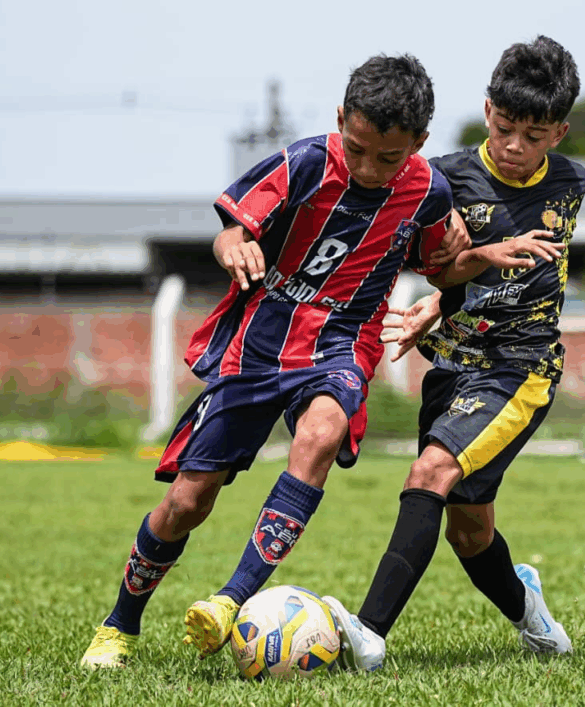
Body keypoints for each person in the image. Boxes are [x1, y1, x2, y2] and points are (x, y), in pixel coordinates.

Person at [80, 53, 469, 669]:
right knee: (188, 501)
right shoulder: (304, 163)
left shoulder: (428, 190)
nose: (369, 168)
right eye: (358, 147)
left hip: (343, 343)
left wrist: (455, 255)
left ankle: (232, 601)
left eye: (388, 158)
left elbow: (439, 260)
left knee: (321, 432)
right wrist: (235, 247)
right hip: (258, 348)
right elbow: (230, 232)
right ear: (341, 118)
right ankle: (118, 625)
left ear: (419, 144)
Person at [322, 36, 585, 671]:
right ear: (487, 108)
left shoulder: (573, 184)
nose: (517, 147)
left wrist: (452, 288)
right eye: (505, 128)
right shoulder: (441, 179)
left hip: (521, 367)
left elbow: (529, 274)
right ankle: (534, 617)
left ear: (560, 131)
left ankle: (368, 635)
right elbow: (442, 266)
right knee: (469, 532)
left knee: (430, 474)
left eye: (536, 133)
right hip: (449, 368)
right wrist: (443, 292)